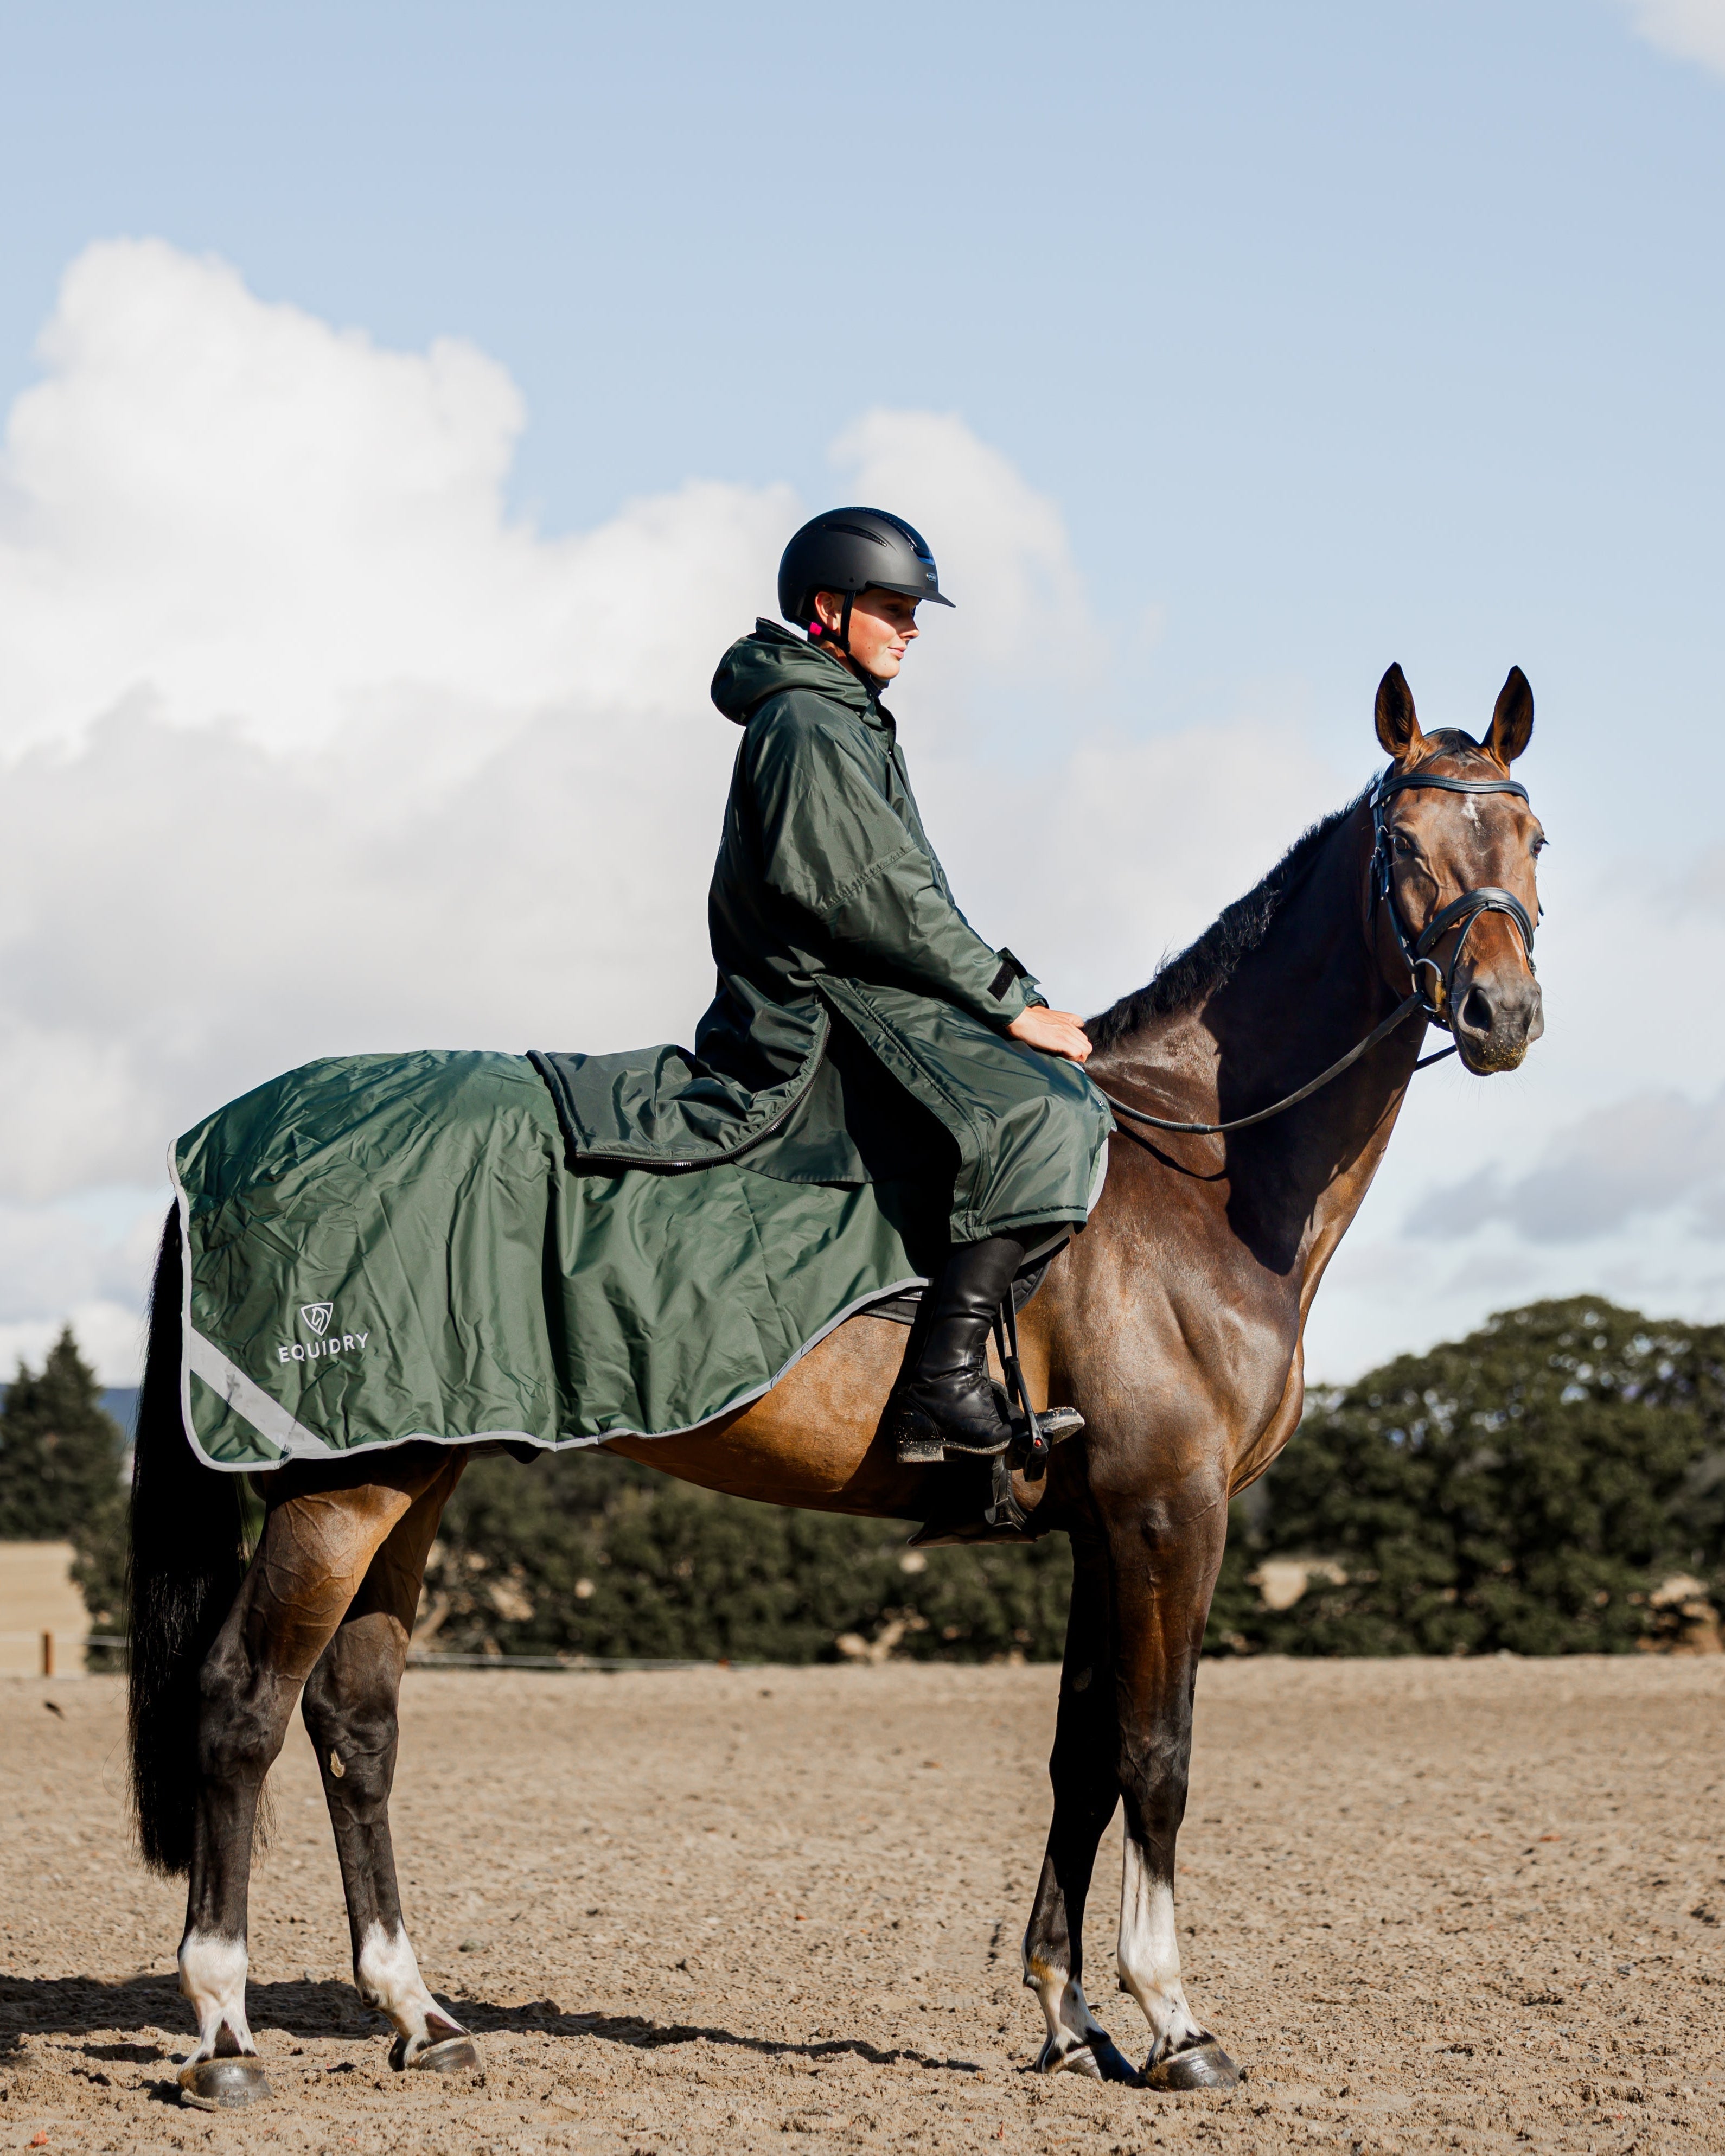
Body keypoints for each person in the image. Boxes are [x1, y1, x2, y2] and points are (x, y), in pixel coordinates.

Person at [537, 508, 1111, 1465]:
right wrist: (1008, 1001)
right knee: (1048, 1114)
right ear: (827, 608)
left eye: (915, 611)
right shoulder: (808, 722)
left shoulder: (843, 714)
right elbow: (873, 896)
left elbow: (904, 893)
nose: (913, 629)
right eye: (895, 607)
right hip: (818, 1010)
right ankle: (942, 1383)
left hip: (867, 988)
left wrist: (1006, 995)